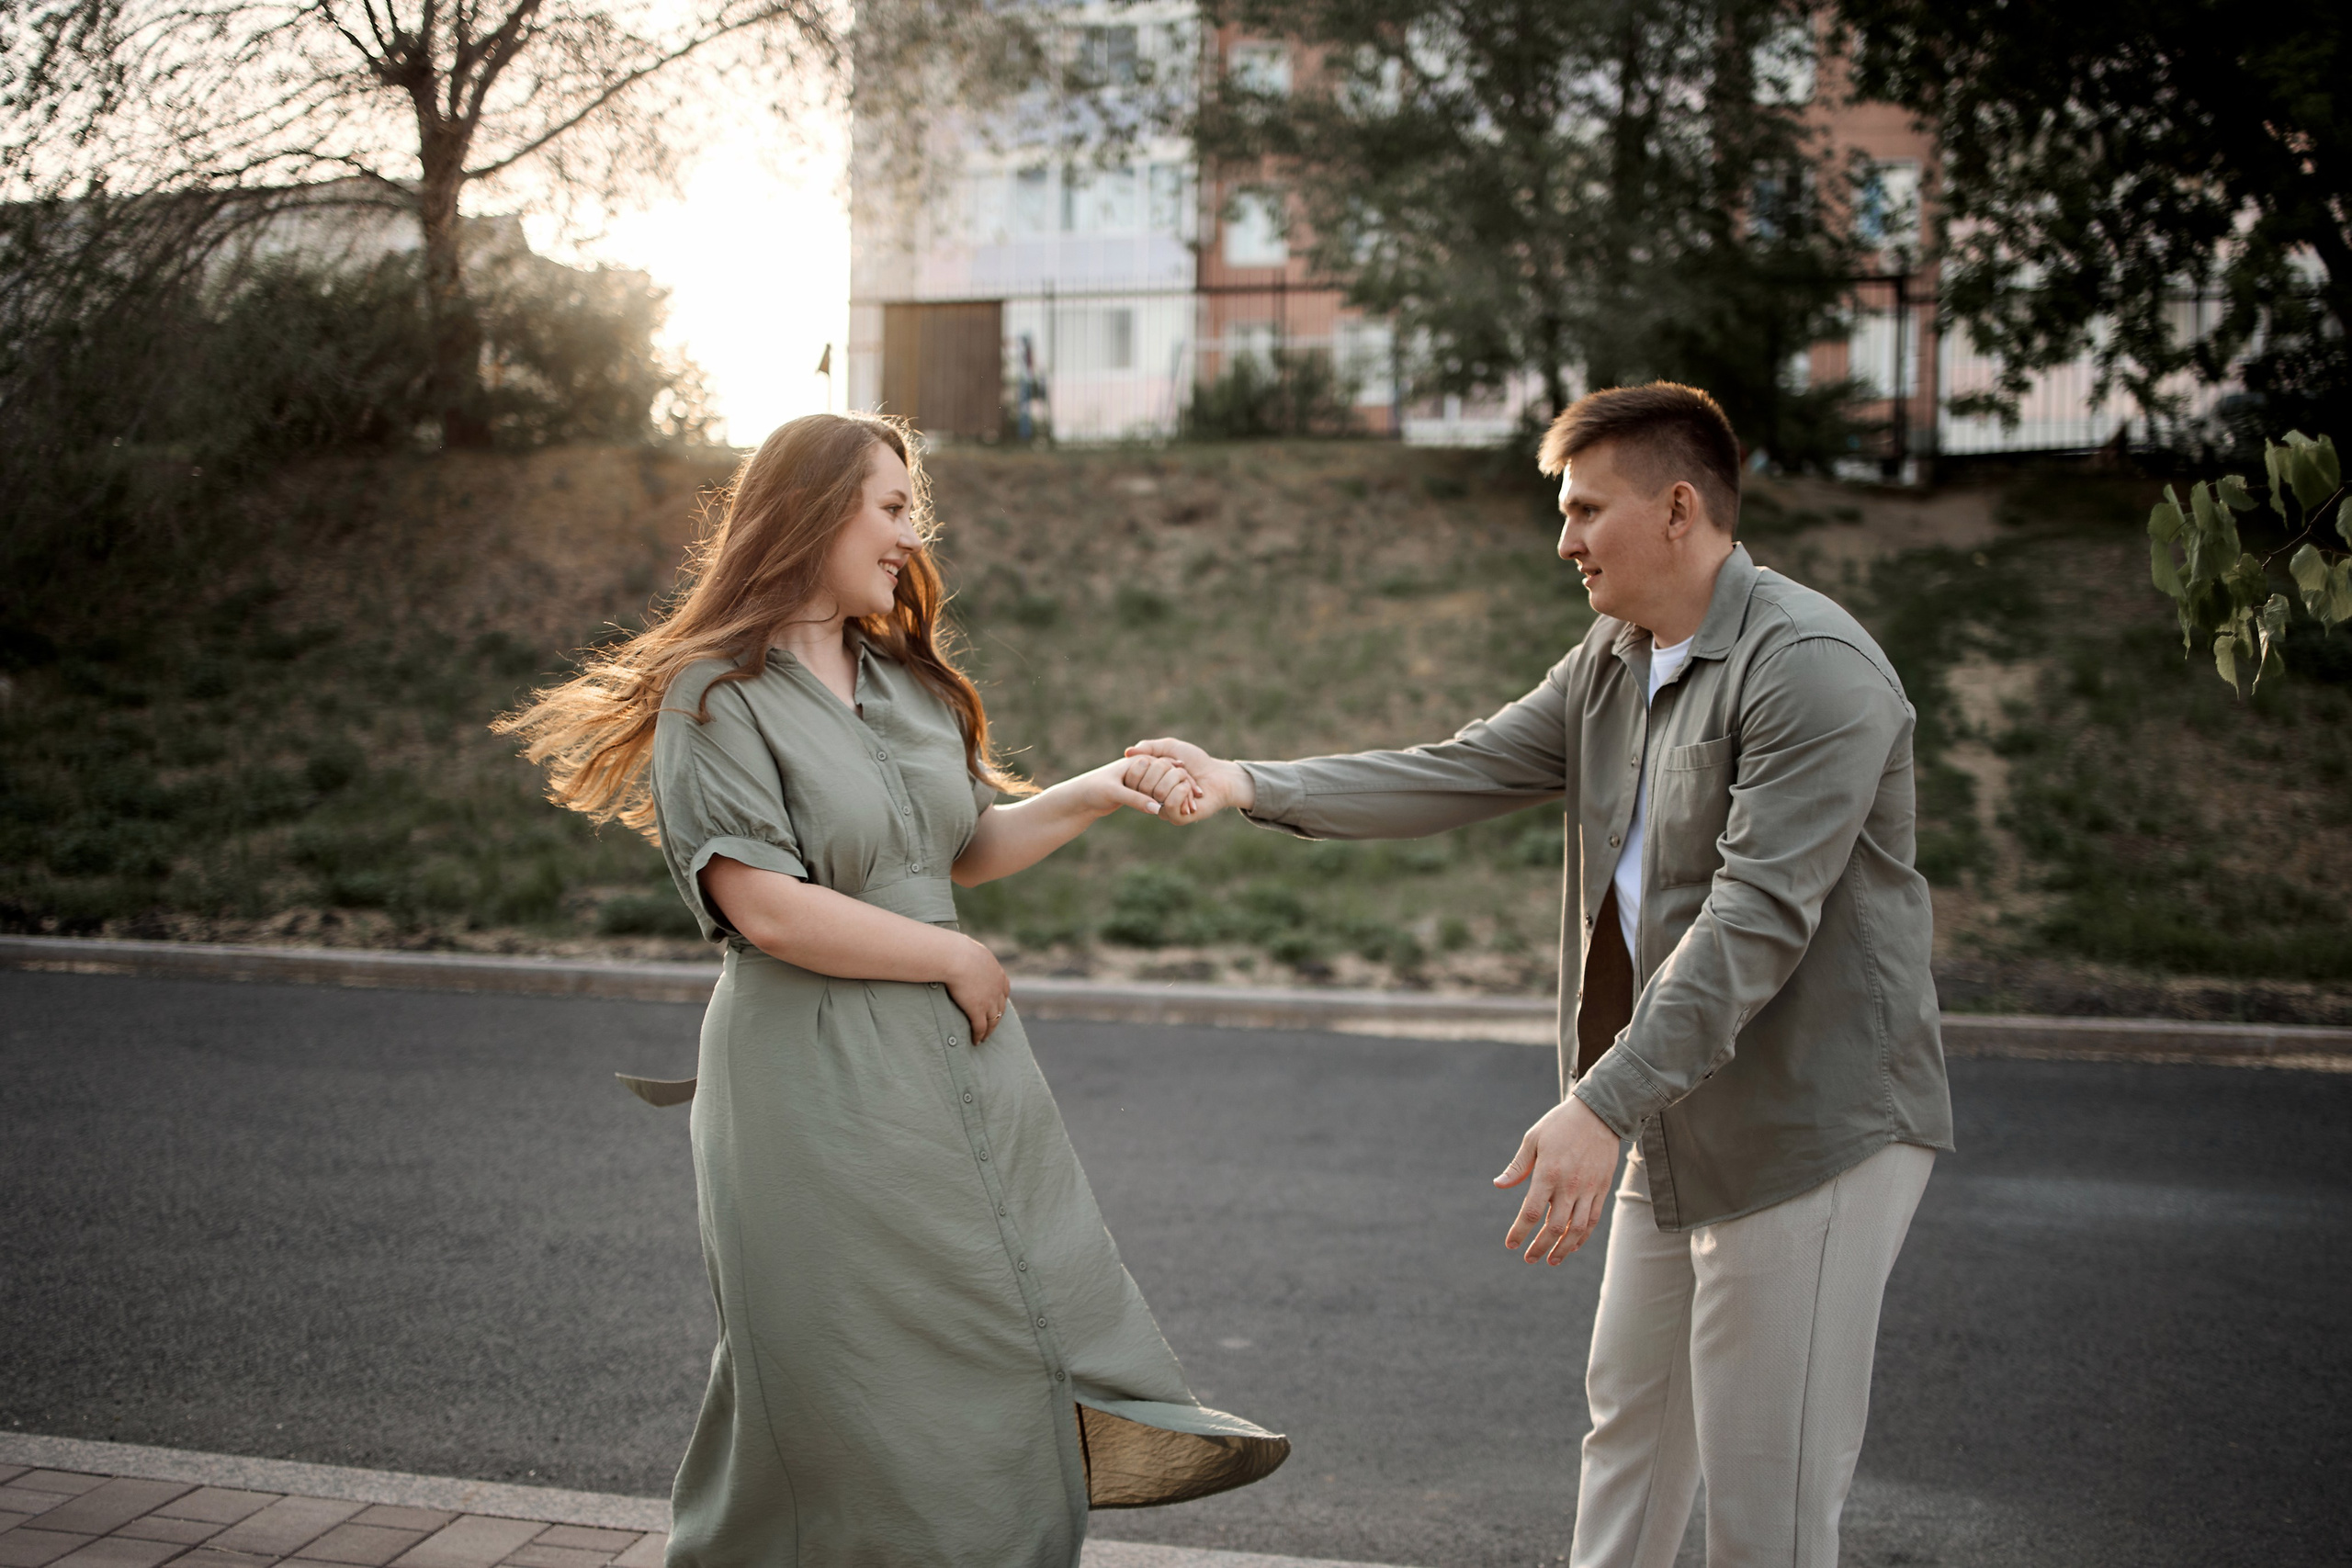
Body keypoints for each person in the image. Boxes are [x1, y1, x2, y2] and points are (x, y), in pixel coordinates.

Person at [1131, 382, 1951, 1568]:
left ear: (1679, 509)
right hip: (1668, 1107)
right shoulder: (1615, 656)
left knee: (1762, 1508)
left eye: (1584, 510)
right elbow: (1460, 767)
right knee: (1629, 1440)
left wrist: (1600, 1104)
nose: (1564, 540)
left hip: (1807, 1128)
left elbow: (1754, 923)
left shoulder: (1813, 669)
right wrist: (1246, 782)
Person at [495, 412, 1286, 1567]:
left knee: (1001, 1332)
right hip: (807, 1073)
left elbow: (958, 849)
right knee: (839, 1373)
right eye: (893, 507)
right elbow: (764, 906)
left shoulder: (904, 682)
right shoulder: (713, 696)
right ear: (813, 510)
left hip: (953, 1061)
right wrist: (953, 957)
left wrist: (1097, 789)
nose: (915, 537)